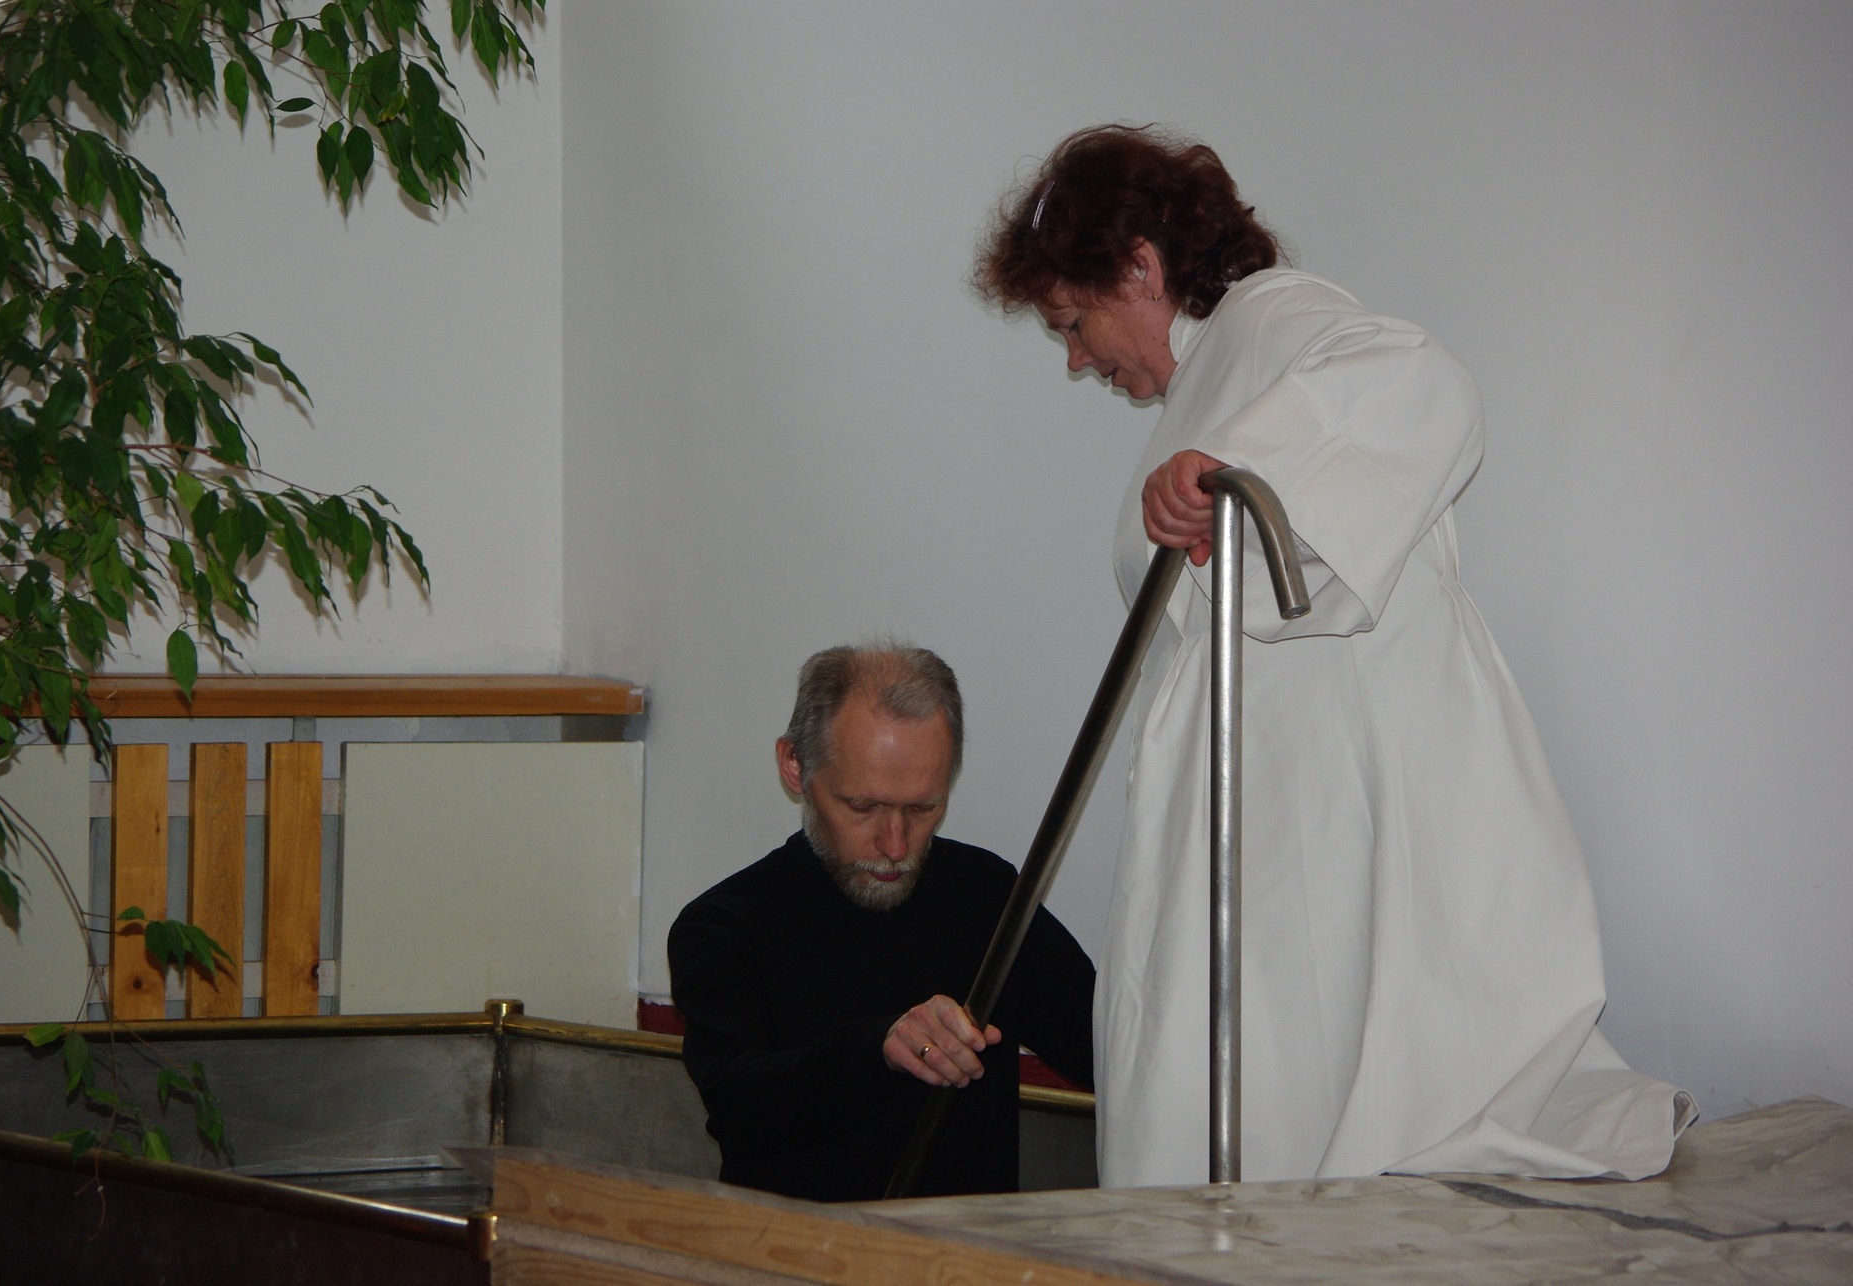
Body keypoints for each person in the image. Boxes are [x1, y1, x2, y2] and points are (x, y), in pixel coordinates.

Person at [974, 124, 1691, 1187]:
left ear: (1140, 268)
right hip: (1268, 787)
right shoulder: (1223, 368)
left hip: (1326, 777)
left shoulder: (1272, 317)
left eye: (1073, 324)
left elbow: (1424, 380)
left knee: (1323, 1063)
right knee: (1263, 1059)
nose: (1078, 359)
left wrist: (1234, 470)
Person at [667, 643, 1095, 1202]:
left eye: (922, 808)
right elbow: (742, 1107)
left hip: (970, 1248)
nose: (895, 846)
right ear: (795, 766)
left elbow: (1102, 1044)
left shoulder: (987, 893)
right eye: (862, 807)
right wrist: (880, 1049)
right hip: (801, 1246)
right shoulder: (723, 926)